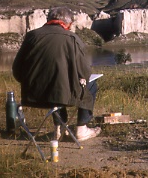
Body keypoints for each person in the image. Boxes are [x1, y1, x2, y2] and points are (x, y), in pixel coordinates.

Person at [12, 7, 101, 141]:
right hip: (61, 95)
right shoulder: (72, 38)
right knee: (90, 85)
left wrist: (29, 84)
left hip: (32, 95)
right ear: (68, 24)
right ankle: (82, 128)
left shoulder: (32, 36)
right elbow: (85, 72)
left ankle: (59, 129)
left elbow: (17, 69)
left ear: (48, 20)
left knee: (58, 87)